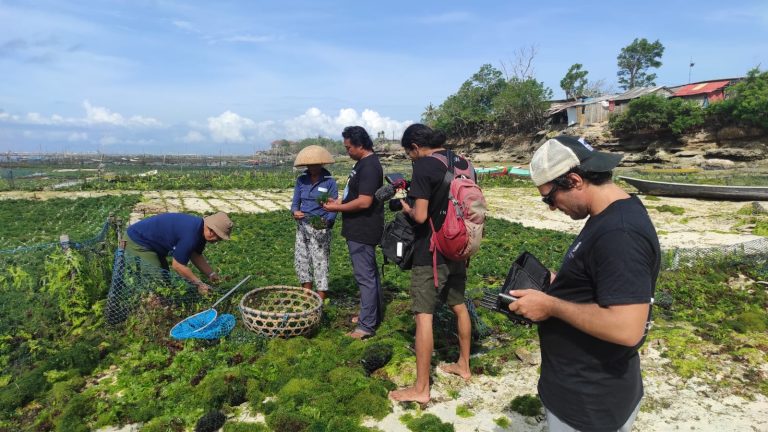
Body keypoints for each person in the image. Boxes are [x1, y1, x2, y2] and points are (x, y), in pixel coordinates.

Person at [509, 135, 660, 431]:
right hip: (581, 389)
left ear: (575, 180)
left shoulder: (620, 234)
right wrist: (561, 283)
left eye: (549, 198)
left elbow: (626, 328)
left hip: (591, 401)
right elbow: (604, 283)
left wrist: (551, 305)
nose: (552, 208)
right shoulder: (609, 214)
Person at [388, 123, 473, 406]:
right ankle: (464, 365)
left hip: (433, 251)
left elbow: (421, 216)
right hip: (460, 245)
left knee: (423, 315)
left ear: (415, 146)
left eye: (408, 152)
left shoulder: (424, 166)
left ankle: (421, 388)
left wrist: (404, 205)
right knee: (458, 305)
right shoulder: (463, 162)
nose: (410, 158)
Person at [322, 126, 384, 339]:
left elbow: (365, 202)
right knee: (370, 274)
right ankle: (371, 314)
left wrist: (335, 208)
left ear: (360, 145)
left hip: (363, 229)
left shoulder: (369, 167)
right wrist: (339, 201)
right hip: (359, 228)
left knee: (365, 276)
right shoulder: (363, 164)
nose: (347, 151)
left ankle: (366, 327)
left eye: (348, 147)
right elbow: (355, 195)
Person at [125, 212, 233, 294]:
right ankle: (153, 314)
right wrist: (199, 284)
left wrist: (211, 274)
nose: (215, 240)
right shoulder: (191, 234)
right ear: (209, 228)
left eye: (219, 238)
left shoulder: (200, 230)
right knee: (156, 284)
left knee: (164, 280)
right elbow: (178, 266)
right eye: (215, 235)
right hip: (138, 241)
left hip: (153, 245)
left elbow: (195, 255)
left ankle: (162, 307)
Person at [291, 145, 338, 300]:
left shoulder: (329, 182)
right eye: (310, 165)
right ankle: (306, 294)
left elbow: (335, 205)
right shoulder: (301, 180)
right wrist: (295, 212)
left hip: (321, 226)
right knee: (302, 258)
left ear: (322, 164)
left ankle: (321, 297)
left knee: (320, 261)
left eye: (316, 164)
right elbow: (295, 203)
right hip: (303, 224)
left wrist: (328, 222)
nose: (313, 167)